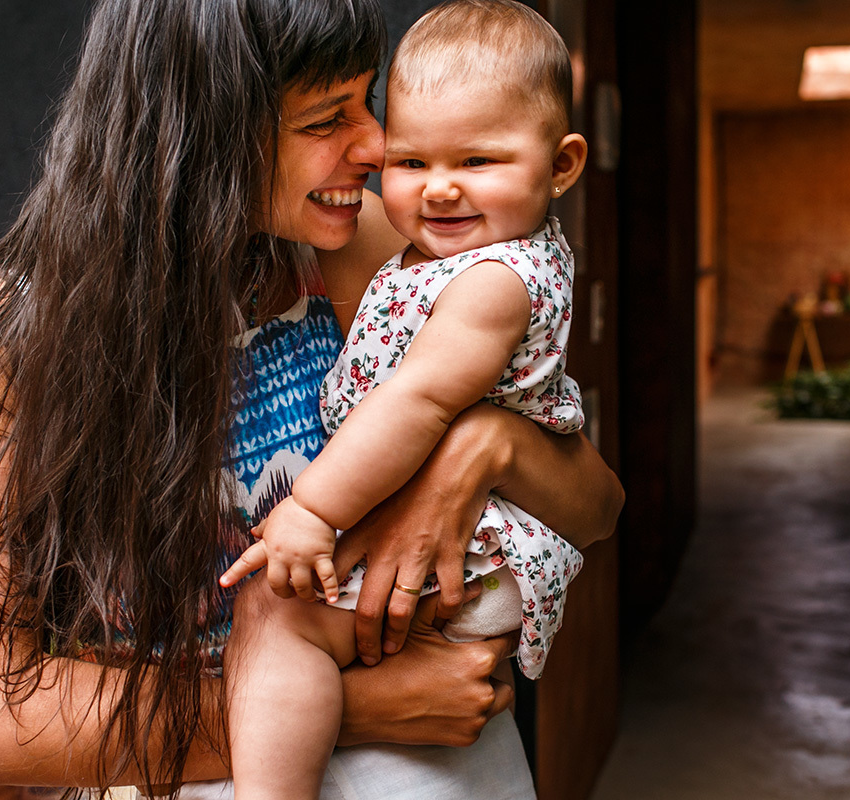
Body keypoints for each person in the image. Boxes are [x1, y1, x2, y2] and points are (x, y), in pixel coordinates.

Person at [0, 0, 624, 798]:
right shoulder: (12, 334)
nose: (378, 147)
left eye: (367, 101)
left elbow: (597, 507)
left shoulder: (369, 249)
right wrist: (358, 708)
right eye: (326, 118)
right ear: (205, 129)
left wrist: (483, 446)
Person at [217, 3, 602, 798]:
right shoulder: (439, 252)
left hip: (473, 551)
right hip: (457, 569)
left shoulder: (490, 277)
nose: (439, 187)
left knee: (274, 617)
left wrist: (311, 510)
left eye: (478, 160)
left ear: (562, 165)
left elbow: (421, 401)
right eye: (413, 159)